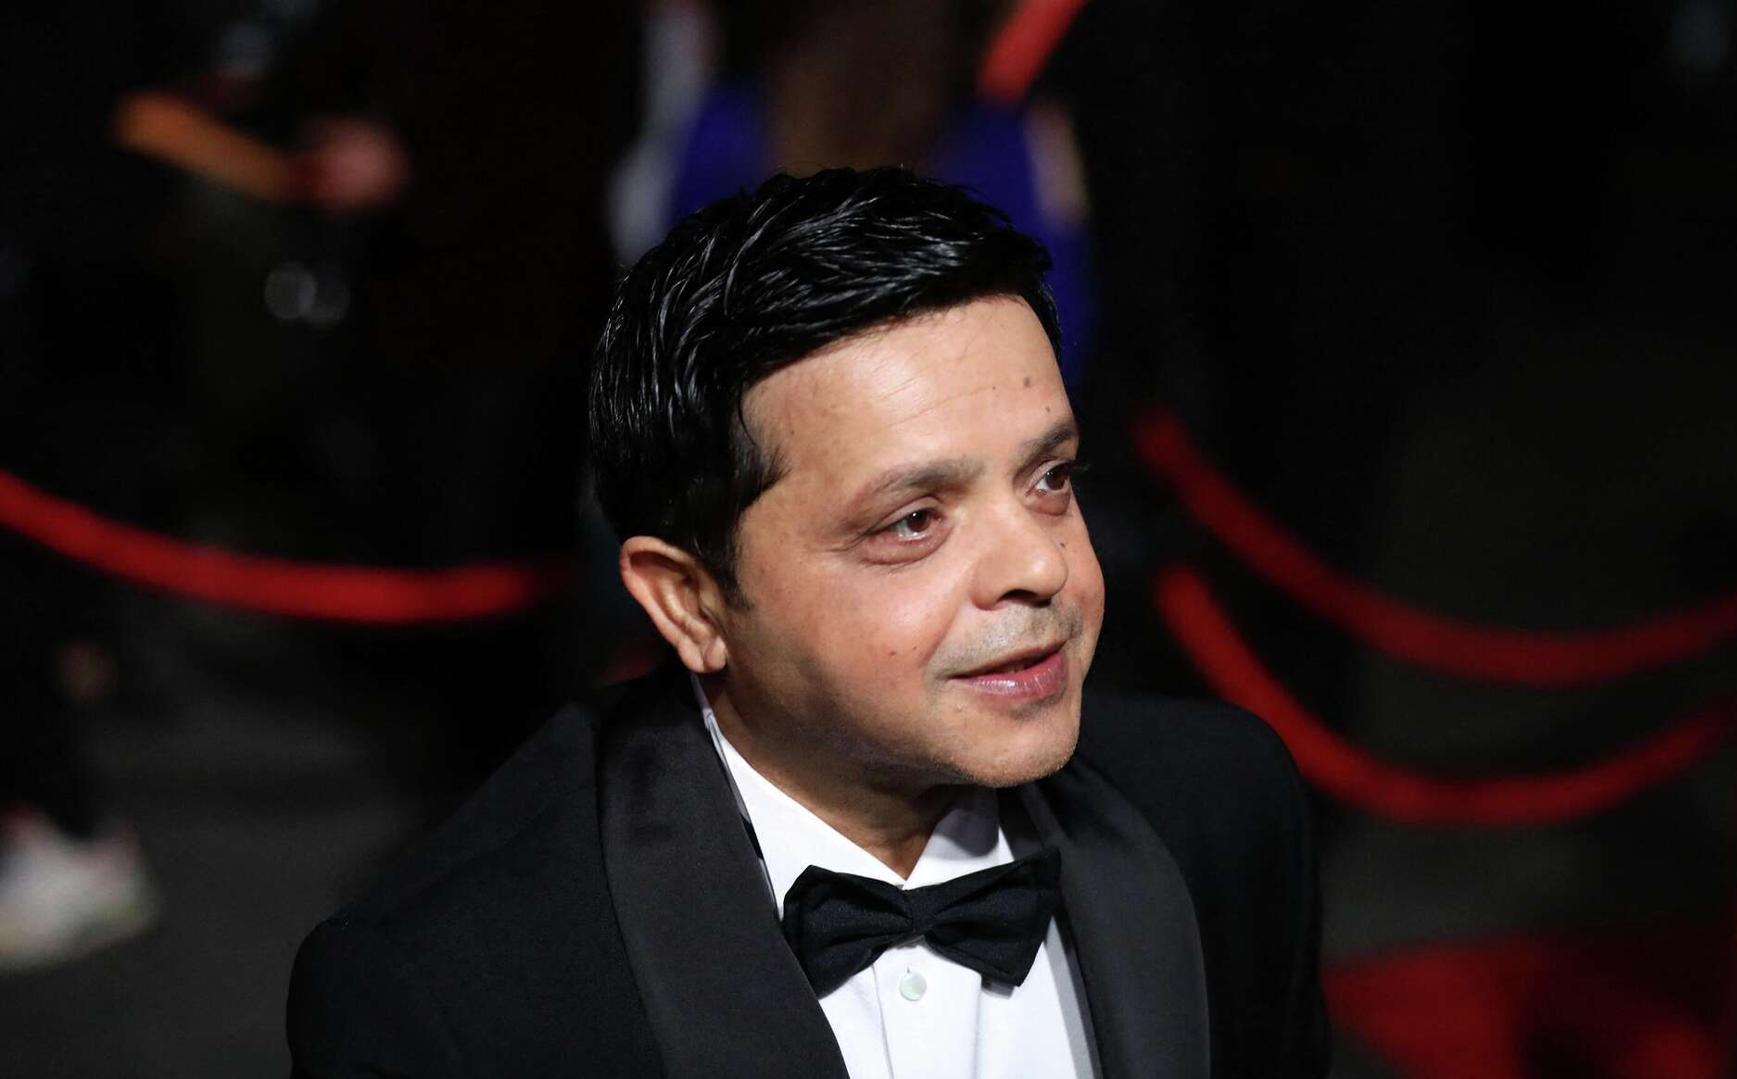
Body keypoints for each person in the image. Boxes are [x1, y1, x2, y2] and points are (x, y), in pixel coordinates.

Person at [287, 168, 1327, 1078]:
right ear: (690, 601)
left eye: (1049, 477)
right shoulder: (452, 993)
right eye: (913, 521)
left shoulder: (1219, 814)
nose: (1042, 565)